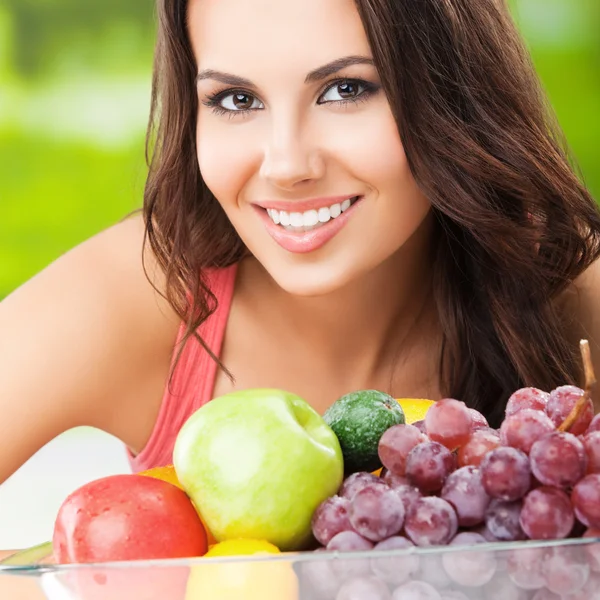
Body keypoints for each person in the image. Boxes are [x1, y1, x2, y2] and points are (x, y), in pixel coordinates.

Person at [1, 0, 600, 555]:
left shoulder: (561, 278)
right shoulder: (137, 292)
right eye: (236, 100)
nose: (286, 165)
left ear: (457, 95)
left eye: (345, 89)